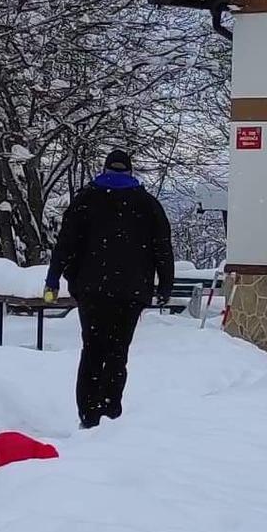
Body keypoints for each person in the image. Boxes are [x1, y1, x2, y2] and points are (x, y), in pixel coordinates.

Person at [44, 148, 173, 429]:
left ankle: (88, 414)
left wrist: (53, 279)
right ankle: (110, 409)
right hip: (131, 291)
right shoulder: (147, 204)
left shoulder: (85, 200)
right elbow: (162, 247)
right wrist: (165, 285)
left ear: (104, 170)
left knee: (92, 349)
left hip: (92, 290)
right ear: (129, 171)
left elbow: (65, 244)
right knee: (118, 351)